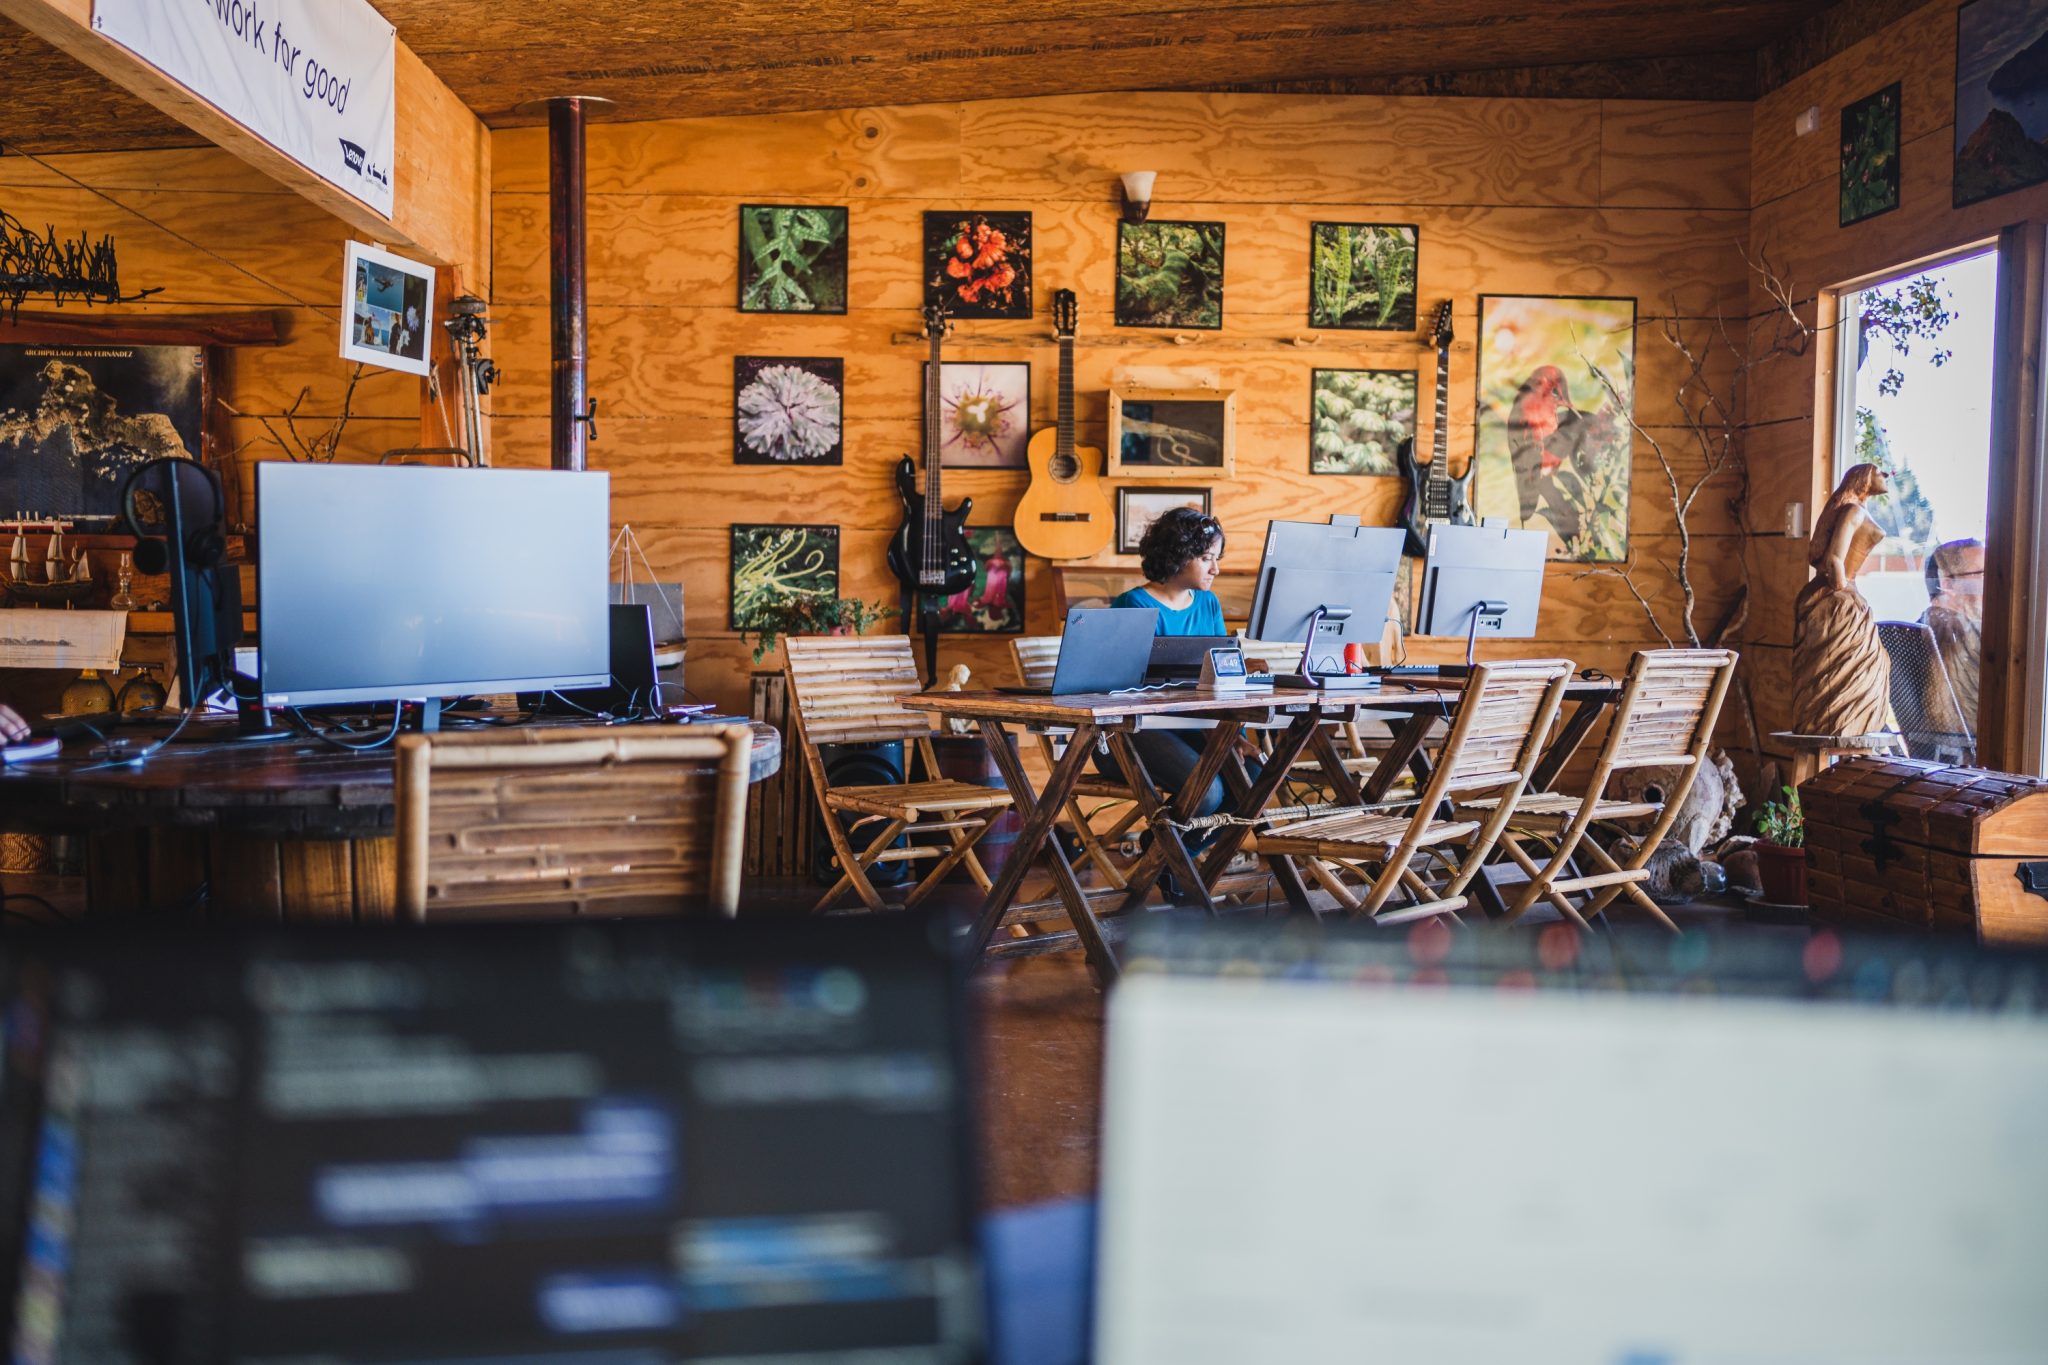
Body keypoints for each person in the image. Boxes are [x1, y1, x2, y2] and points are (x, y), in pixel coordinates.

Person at [1097, 510, 1256, 886]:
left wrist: (1237, 738)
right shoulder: (1133, 605)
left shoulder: (1208, 605)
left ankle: (1166, 854)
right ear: (1177, 554)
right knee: (1207, 791)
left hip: (1194, 728)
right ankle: (1170, 858)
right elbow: (1118, 689)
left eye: (1217, 558)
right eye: (1206, 558)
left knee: (1254, 779)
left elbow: (1220, 682)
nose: (1215, 569)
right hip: (1129, 734)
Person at [1791, 463, 1891, 740]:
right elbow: (1834, 559)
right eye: (1879, 470)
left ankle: (1852, 718)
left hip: (1842, 592)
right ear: (1863, 478)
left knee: (1866, 664)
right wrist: (1844, 590)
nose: (1886, 475)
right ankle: (1837, 719)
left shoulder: (1858, 509)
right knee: (1841, 668)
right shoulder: (1853, 512)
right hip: (1838, 595)